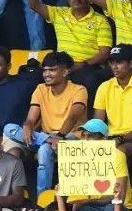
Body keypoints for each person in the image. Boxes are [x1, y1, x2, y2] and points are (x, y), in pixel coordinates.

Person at [5, 52, 89, 194]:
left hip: (71, 136)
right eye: (44, 70)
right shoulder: (40, 89)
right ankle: (47, 140)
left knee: (44, 149)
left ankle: (42, 198)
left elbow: (72, 117)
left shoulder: (79, 90)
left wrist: (60, 136)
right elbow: (31, 117)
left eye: (52, 70)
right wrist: (27, 126)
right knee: (9, 128)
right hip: (46, 136)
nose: (46, 74)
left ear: (66, 72)